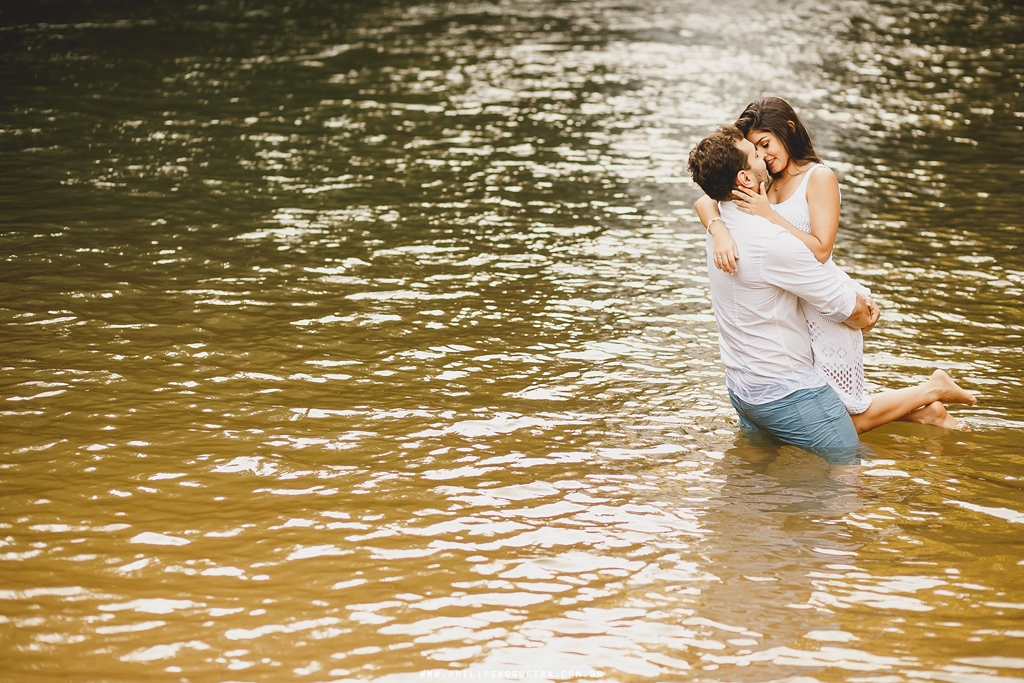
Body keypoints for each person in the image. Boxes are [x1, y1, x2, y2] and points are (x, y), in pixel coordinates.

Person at [686, 125, 975, 458]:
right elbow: (846, 308)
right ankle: (931, 391)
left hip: (741, 388)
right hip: (785, 393)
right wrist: (865, 314)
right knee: (848, 472)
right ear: (746, 180)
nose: (762, 156)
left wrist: (717, 227)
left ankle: (926, 410)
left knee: (755, 481)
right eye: (754, 154)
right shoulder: (771, 242)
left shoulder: (721, 220)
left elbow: (705, 202)